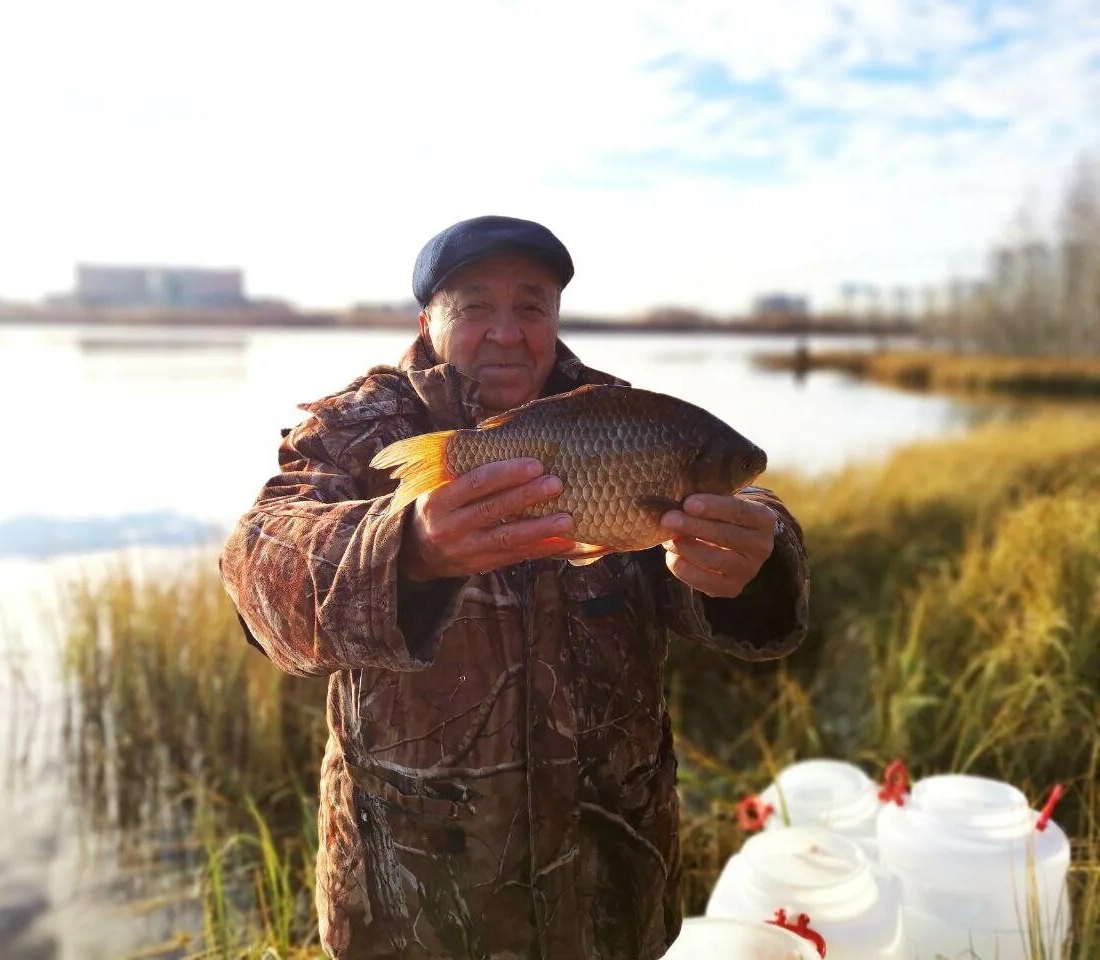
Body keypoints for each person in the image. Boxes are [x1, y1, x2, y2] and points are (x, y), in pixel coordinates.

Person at [219, 215, 809, 960]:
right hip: (413, 892)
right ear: (427, 317)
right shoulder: (357, 430)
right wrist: (406, 552)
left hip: (612, 872)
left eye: (530, 306)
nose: (506, 331)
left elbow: (744, 517)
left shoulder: (618, 416)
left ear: (555, 318)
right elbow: (254, 566)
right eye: (474, 306)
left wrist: (754, 560)